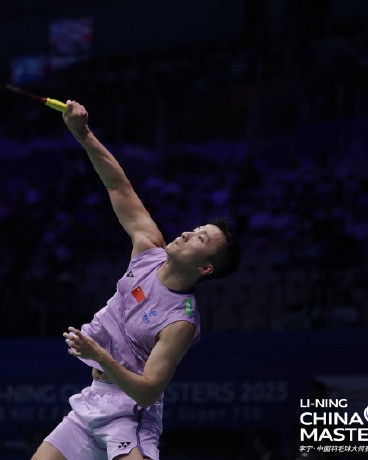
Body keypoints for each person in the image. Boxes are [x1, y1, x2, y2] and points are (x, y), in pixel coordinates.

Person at [32, 101, 242, 460]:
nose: (188, 233)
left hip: (131, 414)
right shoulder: (148, 249)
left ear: (206, 268)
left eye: (201, 238)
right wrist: (84, 135)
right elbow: (118, 186)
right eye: (196, 228)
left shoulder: (180, 322)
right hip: (92, 401)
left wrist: (99, 354)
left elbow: (147, 392)